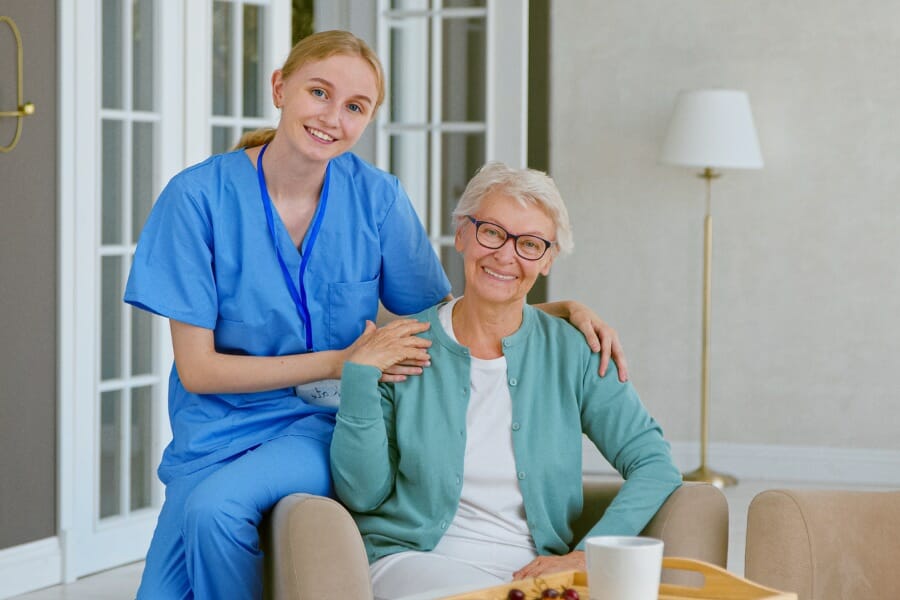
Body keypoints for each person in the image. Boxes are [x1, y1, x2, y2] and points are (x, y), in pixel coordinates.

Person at [124, 31, 627, 599]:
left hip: (322, 426)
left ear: (367, 120)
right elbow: (199, 372)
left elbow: (443, 315)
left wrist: (553, 309)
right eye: (319, 92)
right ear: (280, 87)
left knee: (217, 510)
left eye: (355, 107)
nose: (332, 117)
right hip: (212, 430)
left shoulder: (377, 198)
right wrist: (342, 361)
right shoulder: (196, 199)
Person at [330, 161, 683, 600]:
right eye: (492, 232)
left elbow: (653, 463)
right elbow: (362, 495)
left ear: (549, 259)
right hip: (414, 561)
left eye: (530, 244)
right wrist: (360, 379)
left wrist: (586, 555)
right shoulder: (402, 346)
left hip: (534, 573)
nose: (505, 255)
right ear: (462, 234)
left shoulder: (573, 350)